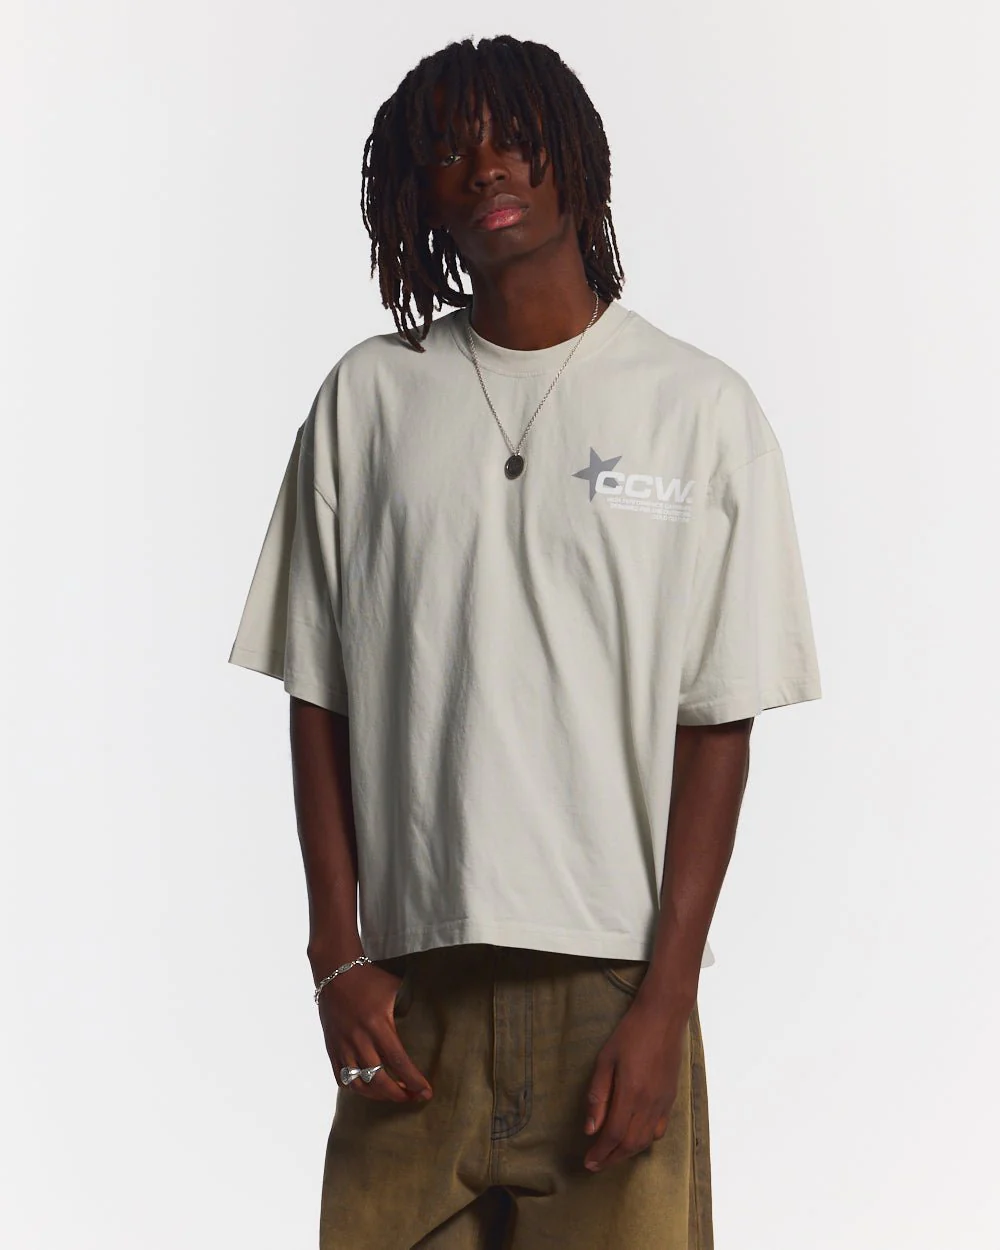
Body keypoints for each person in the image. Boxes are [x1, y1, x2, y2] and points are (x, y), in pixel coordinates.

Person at [227, 33, 821, 1250]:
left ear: (574, 157)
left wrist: (666, 998)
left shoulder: (698, 408)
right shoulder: (368, 398)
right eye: (449, 150)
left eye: (511, 136)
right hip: (413, 994)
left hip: (609, 991)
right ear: (416, 193)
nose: (484, 166)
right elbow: (319, 693)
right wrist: (335, 951)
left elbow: (716, 722)